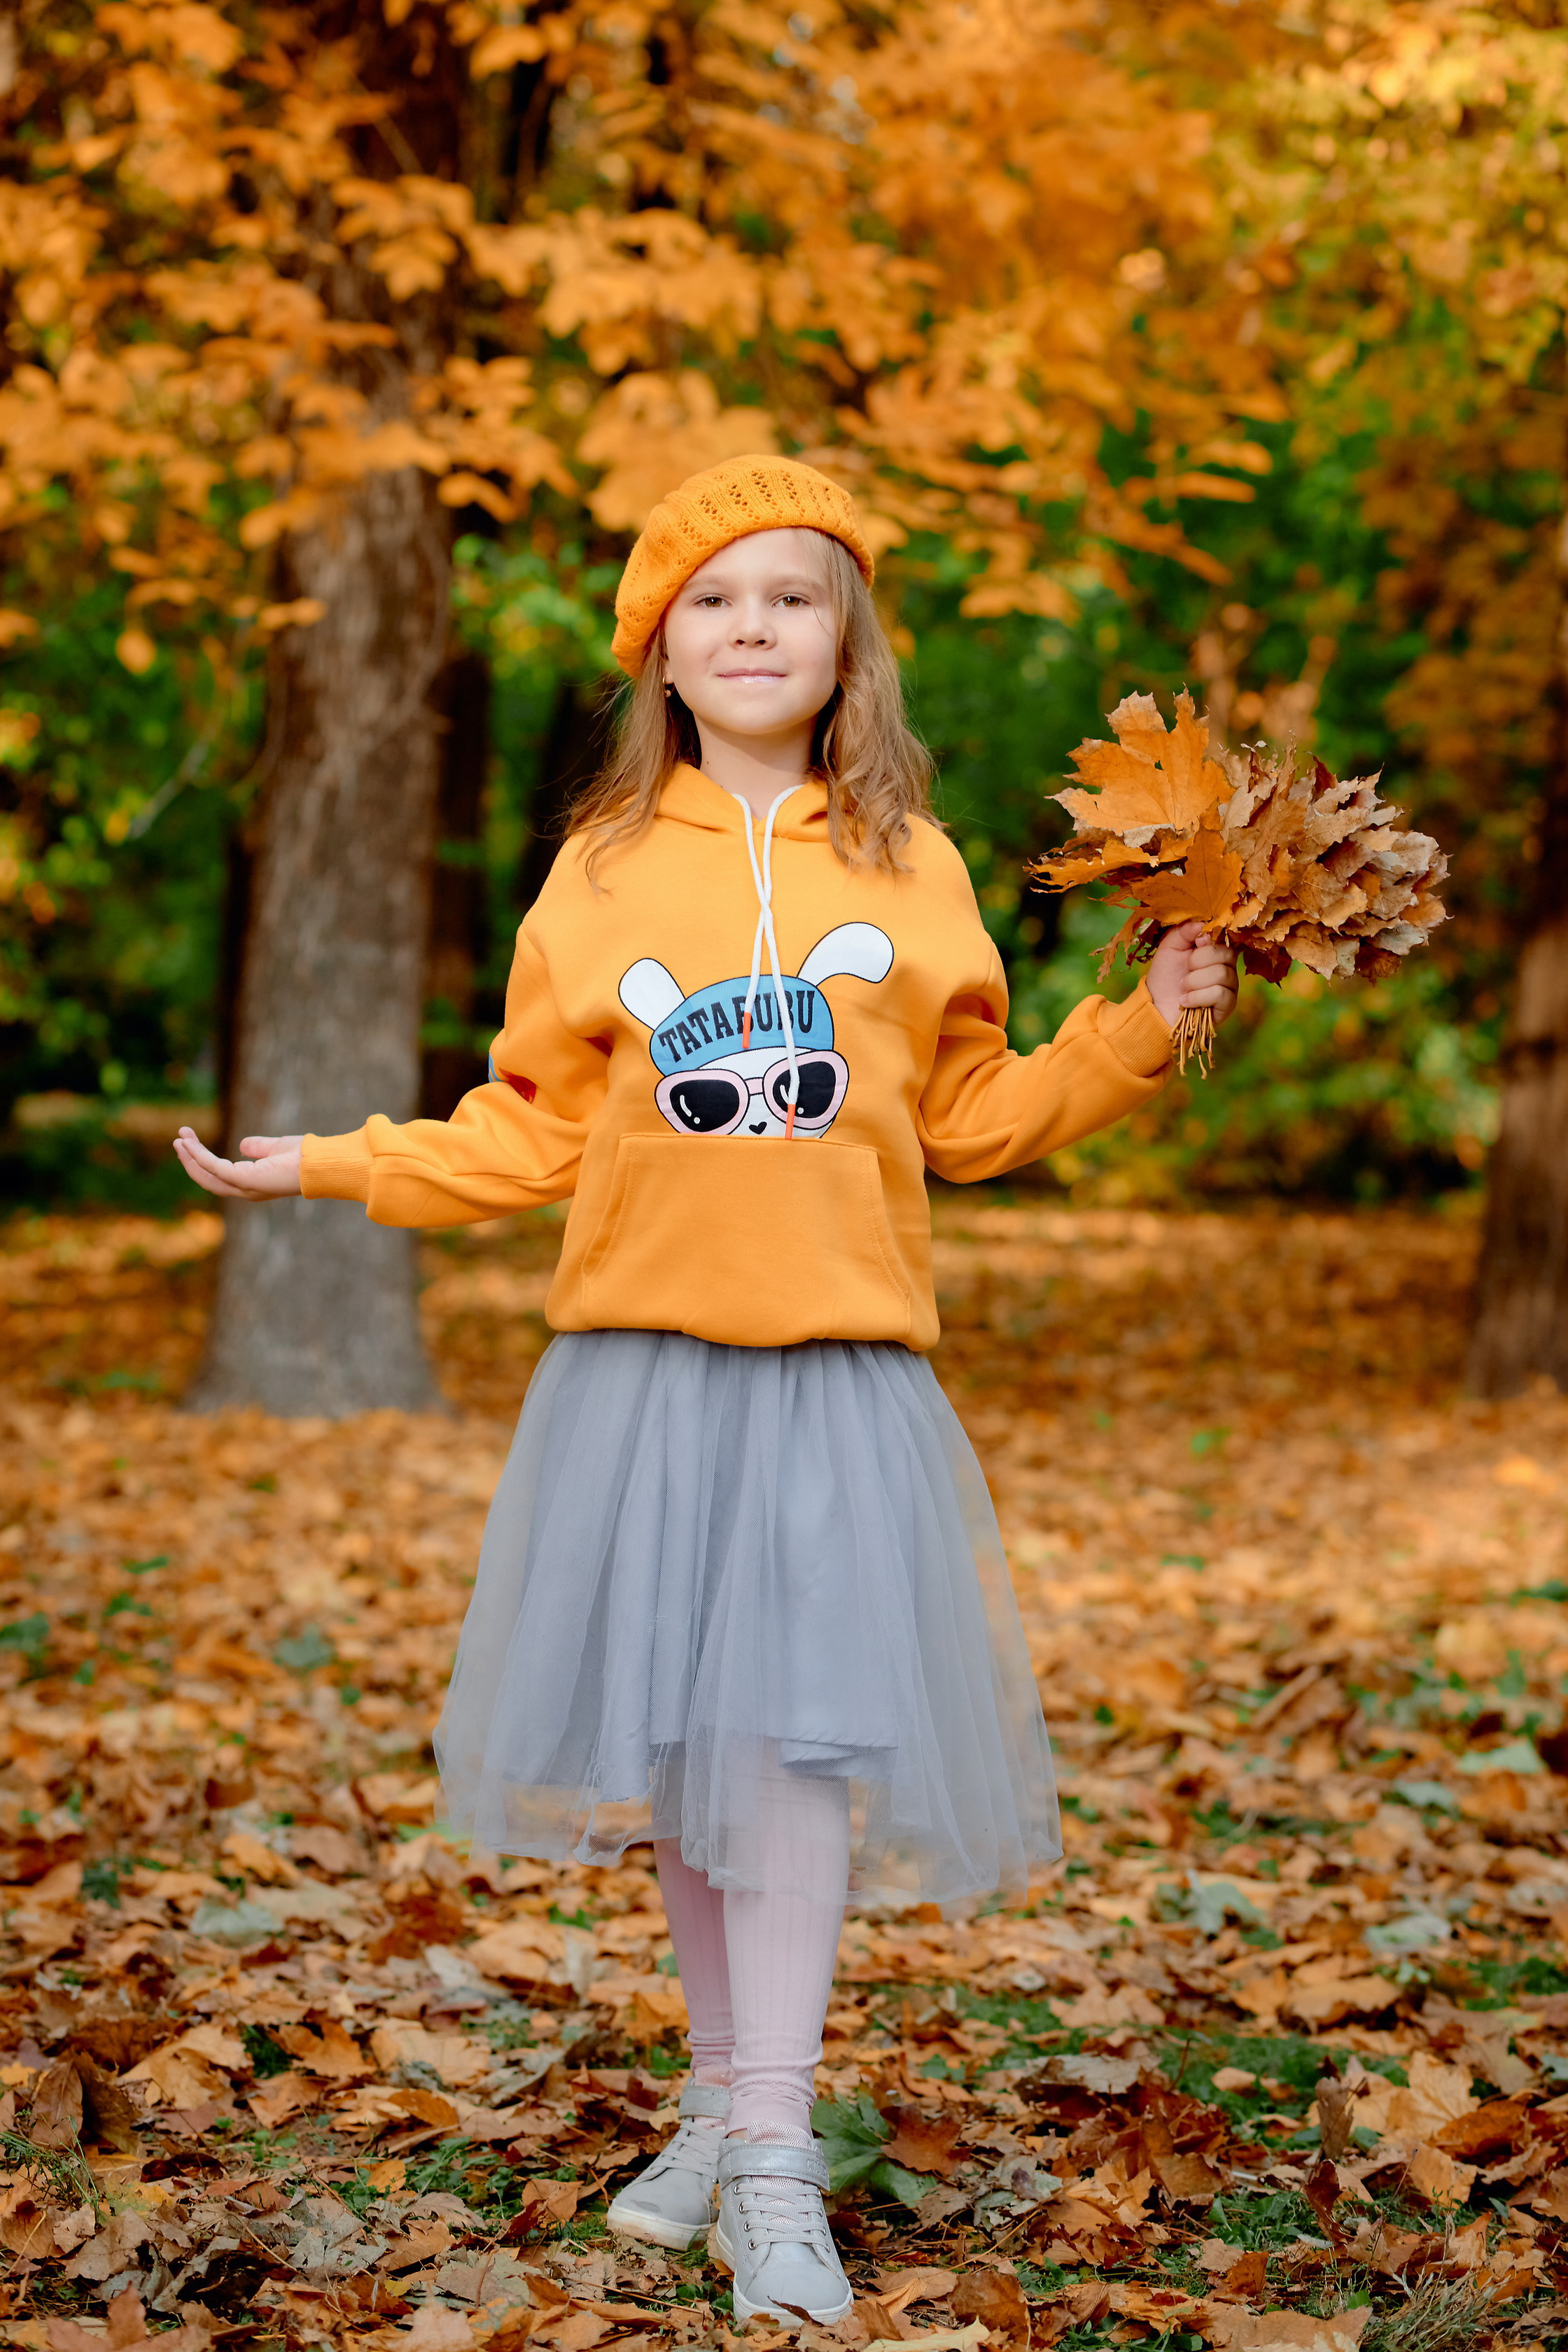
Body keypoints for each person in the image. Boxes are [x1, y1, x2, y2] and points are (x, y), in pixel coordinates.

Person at [176, 456, 1238, 2325]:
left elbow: (975, 1116)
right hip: (642, 1379)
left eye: (795, 598)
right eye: (716, 598)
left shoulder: (911, 871)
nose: (755, 628)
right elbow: (523, 1135)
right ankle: (724, 2097)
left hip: (835, 1376)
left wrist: (1142, 1023)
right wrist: (332, 1163)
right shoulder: (598, 878)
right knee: (686, 1771)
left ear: (848, 646)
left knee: (791, 1760)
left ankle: (771, 2165)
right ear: (660, 645)